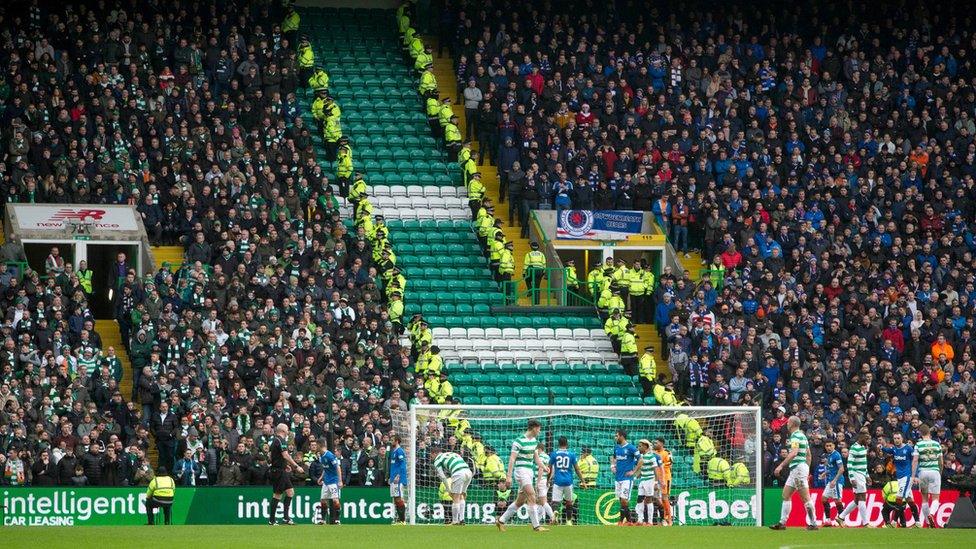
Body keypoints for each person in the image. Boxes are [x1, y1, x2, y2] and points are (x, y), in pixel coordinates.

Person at [496, 419, 547, 531]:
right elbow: (512, 458)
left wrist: (543, 466)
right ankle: (536, 526)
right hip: (520, 471)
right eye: (539, 428)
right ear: (534, 428)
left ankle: (501, 521)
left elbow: (536, 458)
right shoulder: (518, 441)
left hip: (529, 472)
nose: (539, 431)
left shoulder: (534, 441)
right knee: (532, 495)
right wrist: (508, 476)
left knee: (519, 502)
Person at [770, 416, 818, 530]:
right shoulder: (803, 436)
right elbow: (809, 455)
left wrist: (780, 466)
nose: (787, 424)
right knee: (786, 495)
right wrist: (807, 469)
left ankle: (813, 523)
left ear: (791, 424)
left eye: (788, 422)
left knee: (806, 498)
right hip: (799, 469)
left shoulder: (795, 436)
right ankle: (782, 523)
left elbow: (794, 453)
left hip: (798, 469)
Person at [268, 423, 305, 526]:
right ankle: (272, 520)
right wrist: (296, 466)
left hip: (280, 470)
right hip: (278, 471)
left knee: (290, 492)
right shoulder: (280, 440)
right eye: (287, 429)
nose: (288, 431)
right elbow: (285, 455)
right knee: (277, 495)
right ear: (283, 431)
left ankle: (286, 518)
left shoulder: (275, 441)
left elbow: (272, 456)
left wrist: (285, 465)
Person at [882, 432, 920, 527]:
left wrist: (915, 475)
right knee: (909, 500)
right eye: (895, 438)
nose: (896, 440)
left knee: (899, 498)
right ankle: (918, 522)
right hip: (900, 478)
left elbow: (915, 461)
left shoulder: (908, 449)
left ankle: (894, 521)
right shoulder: (894, 449)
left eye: (898, 438)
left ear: (902, 439)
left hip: (907, 477)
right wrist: (881, 447)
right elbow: (887, 450)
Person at [431, 446, 473, 526]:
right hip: (468, 472)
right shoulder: (452, 453)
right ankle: (462, 520)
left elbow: (442, 476)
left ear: (434, 453)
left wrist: (448, 489)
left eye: (431, 455)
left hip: (458, 473)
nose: (431, 457)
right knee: (462, 496)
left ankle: (454, 521)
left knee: (455, 497)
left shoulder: (437, 460)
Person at [837, 431, 871, 527]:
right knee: (862, 497)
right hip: (857, 475)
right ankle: (865, 523)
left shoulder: (863, 447)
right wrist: (852, 478)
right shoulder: (854, 448)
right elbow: (849, 464)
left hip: (862, 475)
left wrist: (867, 475)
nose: (868, 441)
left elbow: (864, 463)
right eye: (867, 438)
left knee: (857, 500)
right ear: (861, 437)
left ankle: (841, 517)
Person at [549, 436, 582, 524]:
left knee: (555, 501)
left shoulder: (554, 454)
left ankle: (555, 513)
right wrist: (582, 480)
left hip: (558, 481)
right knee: (569, 502)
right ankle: (568, 521)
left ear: (558, 444)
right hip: (568, 481)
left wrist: (548, 479)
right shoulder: (571, 454)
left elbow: (550, 469)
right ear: (567, 444)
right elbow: (577, 469)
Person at [915, 424, 944, 528]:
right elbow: (941, 462)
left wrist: (914, 475)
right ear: (929, 432)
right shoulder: (937, 444)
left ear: (920, 433)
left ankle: (927, 522)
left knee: (924, 498)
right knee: (935, 498)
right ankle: (931, 514)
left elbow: (915, 461)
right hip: (934, 471)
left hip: (923, 472)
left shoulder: (918, 445)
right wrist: (939, 473)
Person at [610, 429, 639, 524]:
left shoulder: (631, 448)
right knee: (621, 500)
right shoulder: (617, 447)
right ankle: (624, 521)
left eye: (617, 435)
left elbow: (641, 459)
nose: (615, 437)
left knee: (624, 500)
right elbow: (613, 458)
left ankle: (628, 521)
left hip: (627, 479)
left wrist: (634, 471)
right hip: (618, 478)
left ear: (622, 436)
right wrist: (613, 466)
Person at [635, 439, 664, 525]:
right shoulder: (642, 457)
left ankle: (650, 521)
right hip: (643, 480)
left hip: (649, 480)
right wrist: (636, 476)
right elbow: (641, 469)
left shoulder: (651, 456)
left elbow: (656, 470)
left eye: (640, 446)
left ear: (645, 447)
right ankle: (640, 520)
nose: (638, 448)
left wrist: (656, 482)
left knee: (649, 500)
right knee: (639, 499)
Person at [819, 439, 845, 526]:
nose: (829, 447)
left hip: (837, 481)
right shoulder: (829, 455)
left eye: (830, 445)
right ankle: (828, 520)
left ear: (834, 446)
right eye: (827, 446)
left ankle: (842, 520)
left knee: (837, 500)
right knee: (824, 498)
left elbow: (841, 469)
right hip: (831, 480)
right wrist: (824, 473)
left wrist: (835, 480)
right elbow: (832, 468)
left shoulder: (836, 455)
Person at [316, 442, 343, 525]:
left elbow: (337, 467)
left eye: (316, 445)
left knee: (335, 500)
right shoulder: (321, 456)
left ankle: (337, 519)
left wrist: (340, 480)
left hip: (333, 481)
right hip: (326, 481)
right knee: (323, 500)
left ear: (320, 446)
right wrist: (321, 477)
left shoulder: (330, 455)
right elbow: (325, 468)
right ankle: (323, 520)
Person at [653, 438, 674, 526]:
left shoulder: (667, 452)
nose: (654, 444)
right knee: (655, 498)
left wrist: (659, 463)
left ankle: (668, 518)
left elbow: (670, 463)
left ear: (661, 443)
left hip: (665, 478)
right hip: (655, 478)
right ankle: (657, 519)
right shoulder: (653, 453)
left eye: (656, 442)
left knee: (665, 498)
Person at [389, 435, 408, 524]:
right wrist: (391, 477)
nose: (390, 441)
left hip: (398, 479)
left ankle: (403, 520)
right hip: (393, 478)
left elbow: (403, 465)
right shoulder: (393, 451)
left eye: (392, 440)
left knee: (399, 498)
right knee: (396, 499)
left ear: (397, 441)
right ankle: (399, 519)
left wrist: (398, 476)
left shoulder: (400, 451)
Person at [534, 442, 555, 524]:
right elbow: (552, 470)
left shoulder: (541, 457)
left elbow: (541, 469)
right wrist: (548, 479)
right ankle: (537, 521)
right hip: (546, 480)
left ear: (539, 449)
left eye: (536, 450)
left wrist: (537, 482)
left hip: (540, 480)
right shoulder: (548, 457)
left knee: (542, 501)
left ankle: (553, 517)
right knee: (540, 501)